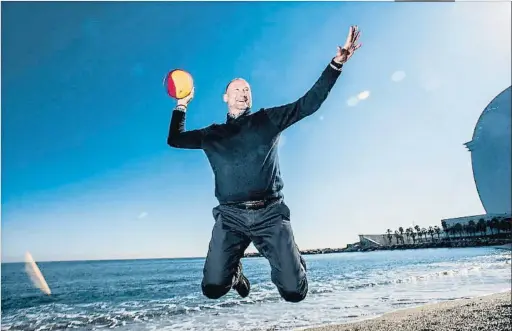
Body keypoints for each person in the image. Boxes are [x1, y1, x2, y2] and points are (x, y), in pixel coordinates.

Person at [167, 26, 362, 303]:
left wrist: (336, 64)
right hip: (230, 217)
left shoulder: (266, 120)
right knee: (212, 288)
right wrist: (182, 104)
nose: (242, 92)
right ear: (226, 97)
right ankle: (235, 275)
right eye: (236, 89)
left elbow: (308, 104)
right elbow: (175, 139)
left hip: (270, 213)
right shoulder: (212, 134)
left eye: (247, 89)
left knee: (295, 293)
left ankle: (291, 257)